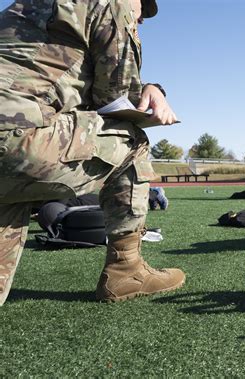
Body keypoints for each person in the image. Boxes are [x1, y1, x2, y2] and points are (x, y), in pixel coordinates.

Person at [0, 0, 185, 306]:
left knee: (10, 187)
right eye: (143, 10)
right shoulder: (113, 2)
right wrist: (154, 93)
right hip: (15, 138)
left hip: (14, 138)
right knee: (131, 137)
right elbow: (115, 100)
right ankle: (126, 270)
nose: (142, 20)